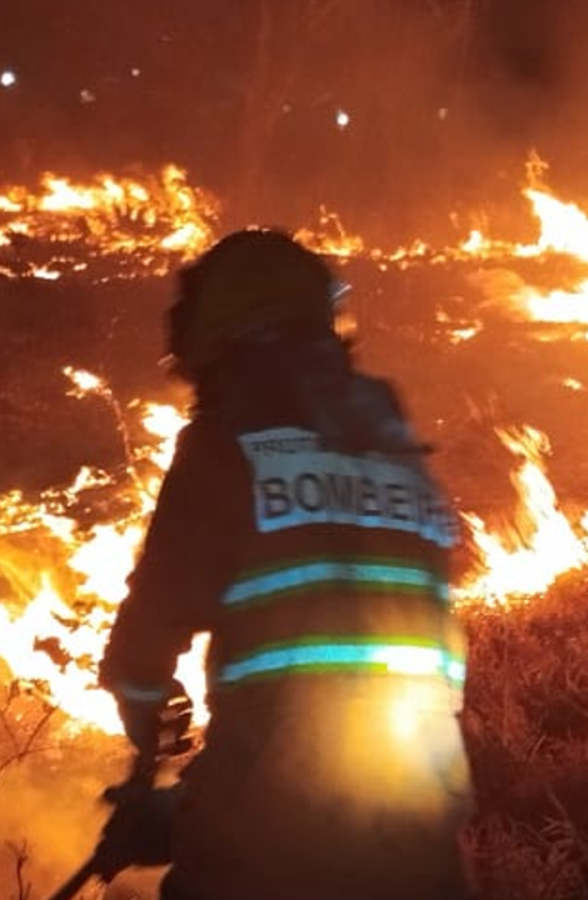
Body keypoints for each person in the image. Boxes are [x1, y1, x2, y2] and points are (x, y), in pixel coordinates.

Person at [98, 228, 475, 900]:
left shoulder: (223, 448)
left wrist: (149, 739)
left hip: (268, 863)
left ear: (211, 339)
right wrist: (182, 810)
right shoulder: (397, 450)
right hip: (419, 835)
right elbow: (358, 675)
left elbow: (143, 650)